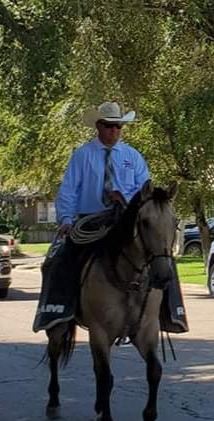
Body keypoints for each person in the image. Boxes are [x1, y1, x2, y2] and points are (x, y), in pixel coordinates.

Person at [33, 101, 150, 332]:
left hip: (125, 220)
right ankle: (57, 313)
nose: (114, 131)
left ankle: (167, 313)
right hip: (91, 220)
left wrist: (126, 199)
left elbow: (145, 189)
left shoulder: (133, 156)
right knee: (60, 260)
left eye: (118, 126)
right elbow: (69, 190)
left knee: (160, 258)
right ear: (98, 126)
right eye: (109, 126)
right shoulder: (83, 155)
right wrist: (67, 220)